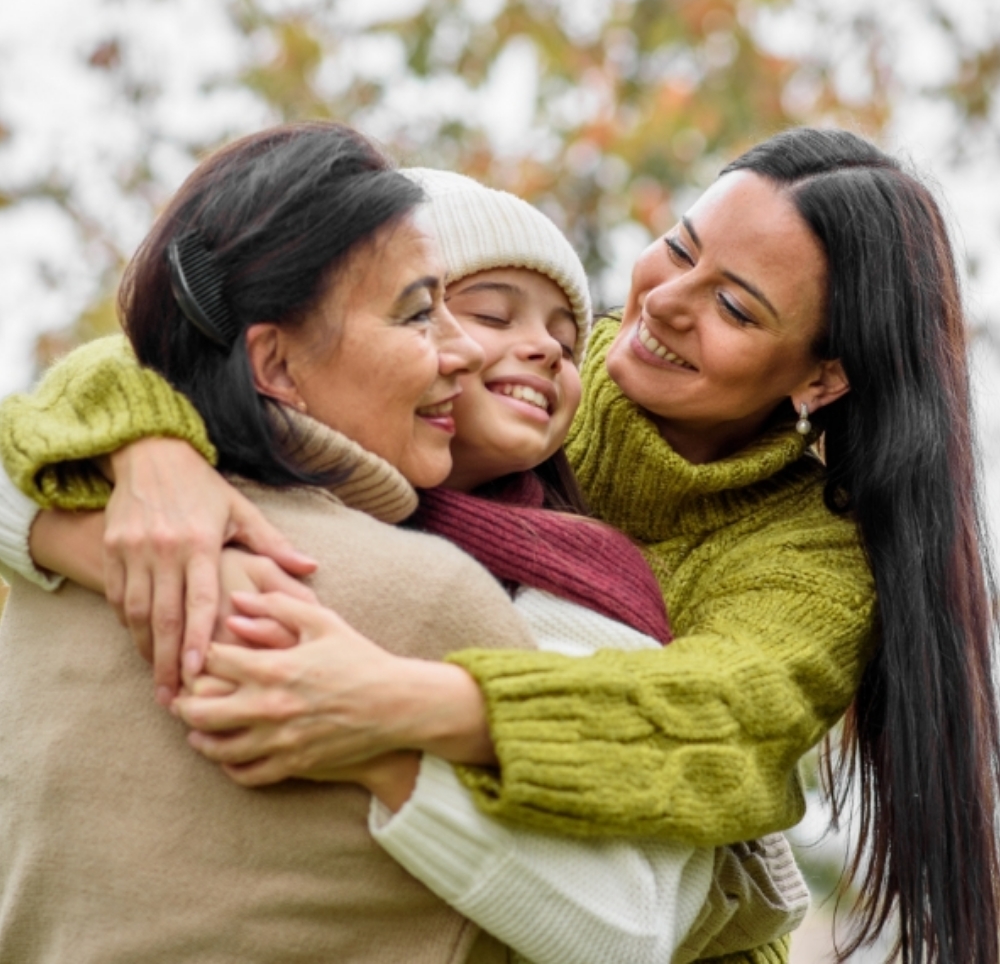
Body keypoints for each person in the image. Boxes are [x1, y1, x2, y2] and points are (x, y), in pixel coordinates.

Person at [4, 128, 999, 964]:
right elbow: (202, 334)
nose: (660, 301)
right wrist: (145, 450)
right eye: (676, 243)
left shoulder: (804, 556)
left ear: (821, 376)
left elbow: (716, 722)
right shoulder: (544, 376)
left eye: (735, 307)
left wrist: (393, 700)